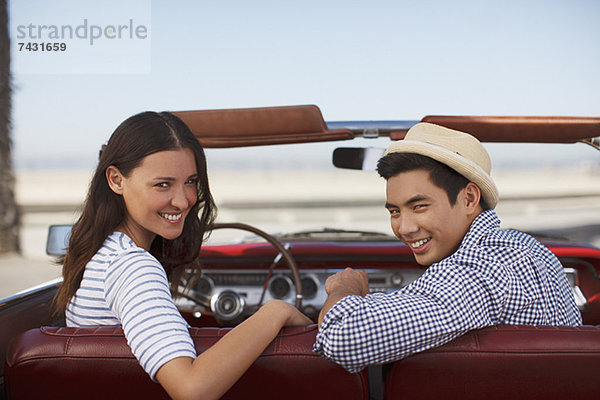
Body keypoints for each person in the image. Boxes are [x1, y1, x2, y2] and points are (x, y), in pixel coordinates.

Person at [53, 111, 312, 400]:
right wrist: (276, 312)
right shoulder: (133, 267)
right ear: (116, 180)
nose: (183, 199)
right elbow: (192, 390)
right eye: (163, 184)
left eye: (190, 181)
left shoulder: (101, 252)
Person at [313, 122, 582, 373]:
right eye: (395, 211)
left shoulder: (477, 268)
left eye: (419, 206)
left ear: (468, 198)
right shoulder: (529, 249)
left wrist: (343, 288)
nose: (404, 228)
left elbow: (342, 336)